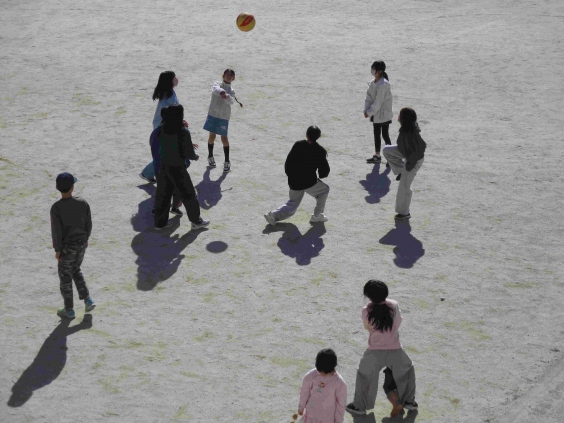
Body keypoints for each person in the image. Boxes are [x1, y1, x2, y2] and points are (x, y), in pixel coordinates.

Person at [346, 280, 418, 416]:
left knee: (364, 375)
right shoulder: (394, 305)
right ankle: (409, 401)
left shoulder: (366, 310)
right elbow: (398, 323)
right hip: (396, 350)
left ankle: (359, 406)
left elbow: (367, 327)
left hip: (374, 352)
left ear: (369, 296)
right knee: (407, 370)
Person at [153, 104, 209, 231]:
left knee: (163, 195)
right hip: (178, 168)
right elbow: (188, 152)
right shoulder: (183, 132)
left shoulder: (162, 129)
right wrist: (195, 157)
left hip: (164, 166)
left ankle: (160, 223)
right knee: (189, 195)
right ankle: (196, 221)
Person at [50, 173, 95, 319]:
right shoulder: (82, 203)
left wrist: (57, 250)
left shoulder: (56, 208)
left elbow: (56, 231)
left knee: (65, 277)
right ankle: (87, 299)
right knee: (75, 269)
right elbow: (88, 224)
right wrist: (86, 239)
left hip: (66, 249)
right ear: (72, 188)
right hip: (81, 244)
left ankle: (69, 309)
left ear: (57, 187)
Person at [264, 125, 330, 225]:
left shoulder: (298, 145)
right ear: (319, 136)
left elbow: (288, 163)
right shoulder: (320, 151)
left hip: (293, 180)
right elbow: (323, 173)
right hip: (309, 182)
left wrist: (291, 176)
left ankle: (272, 215)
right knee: (324, 190)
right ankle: (316, 216)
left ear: (306, 135)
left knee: (293, 203)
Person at [140, 71, 188, 183]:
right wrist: (179, 123)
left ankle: (148, 173)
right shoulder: (168, 97)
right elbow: (169, 115)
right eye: (174, 78)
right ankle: (150, 173)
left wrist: (180, 121)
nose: (177, 79)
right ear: (169, 81)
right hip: (163, 127)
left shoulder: (170, 92)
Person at [150, 107, 198, 217]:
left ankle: (157, 211)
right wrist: (193, 156)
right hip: (174, 166)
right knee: (178, 189)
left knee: (162, 190)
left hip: (158, 166)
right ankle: (174, 208)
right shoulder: (178, 131)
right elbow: (183, 149)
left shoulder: (157, 131)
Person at [382, 107, 426, 220]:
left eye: (399, 115)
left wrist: (408, 167)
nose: (398, 116)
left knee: (404, 186)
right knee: (387, 150)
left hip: (414, 161)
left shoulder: (412, 135)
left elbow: (419, 150)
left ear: (403, 119)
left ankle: (404, 213)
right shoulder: (406, 128)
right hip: (406, 152)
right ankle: (400, 171)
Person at [203, 69, 242, 173]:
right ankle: (210, 156)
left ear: (233, 78)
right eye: (227, 74)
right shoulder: (217, 84)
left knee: (224, 138)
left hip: (224, 117)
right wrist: (222, 92)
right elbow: (215, 89)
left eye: (231, 75)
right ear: (223, 75)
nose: (229, 76)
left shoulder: (232, 91)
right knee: (212, 136)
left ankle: (227, 161)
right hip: (213, 114)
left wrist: (226, 96)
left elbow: (231, 101)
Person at [298, 349, 347, 423]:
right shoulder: (311, 376)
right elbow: (304, 392)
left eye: (324, 372)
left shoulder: (339, 383)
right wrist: (301, 407)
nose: (322, 374)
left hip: (327, 419)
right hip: (310, 416)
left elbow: (341, 404)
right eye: (320, 371)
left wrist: (338, 421)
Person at [364, 61, 393, 165]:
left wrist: (370, 112)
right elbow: (368, 97)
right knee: (376, 134)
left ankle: (391, 157)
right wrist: (366, 109)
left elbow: (378, 101)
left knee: (385, 135)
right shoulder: (372, 83)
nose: (372, 70)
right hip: (376, 114)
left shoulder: (383, 84)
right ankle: (377, 155)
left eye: (374, 69)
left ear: (380, 71)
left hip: (383, 114)